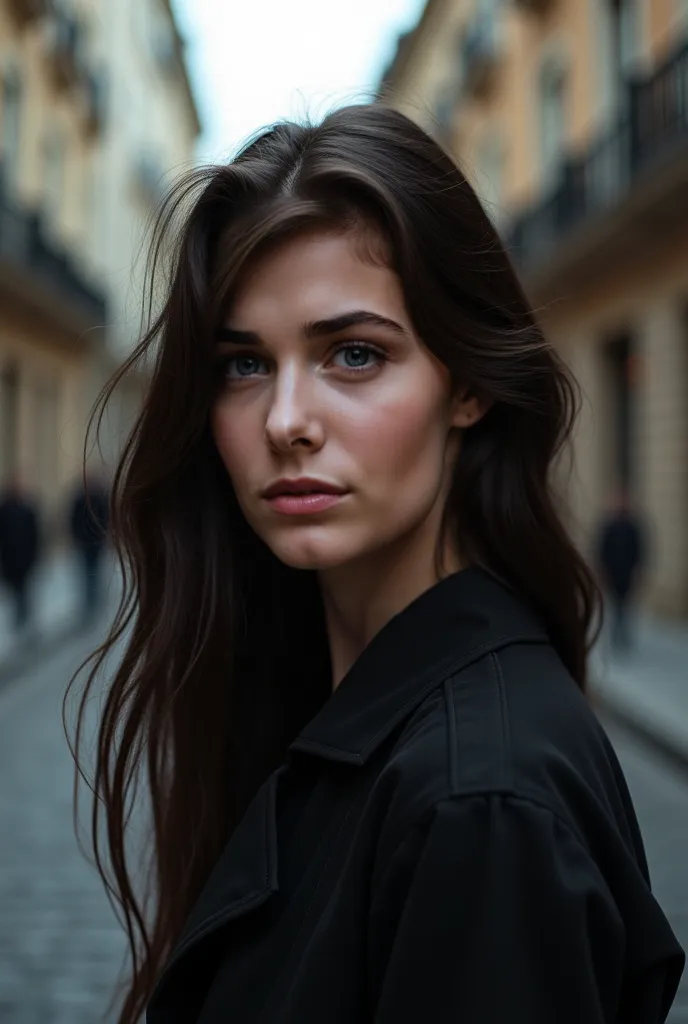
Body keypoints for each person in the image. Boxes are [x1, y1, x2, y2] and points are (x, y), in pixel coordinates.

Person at [68, 105, 684, 1024]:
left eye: (353, 355)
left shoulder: (481, 807)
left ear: (466, 384)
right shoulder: (309, 699)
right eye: (242, 365)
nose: (285, 420)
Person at [595, 486, 646, 652]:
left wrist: (639, 569)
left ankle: (623, 635)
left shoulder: (632, 525)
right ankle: (616, 636)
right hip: (612, 573)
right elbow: (601, 549)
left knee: (626, 606)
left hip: (627, 573)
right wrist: (602, 570)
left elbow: (640, 549)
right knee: (616, 606)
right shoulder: (609, 525)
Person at [68, 471, 110, 626]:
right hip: (84, 543)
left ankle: (95, 601)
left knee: (95, 572)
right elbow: (73, 519)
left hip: (97, 543)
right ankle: (89, 602)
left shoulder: (101, 498)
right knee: (87, 573)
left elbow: (107, 518)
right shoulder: (80, 499)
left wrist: (105, 536)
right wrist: (76, 537)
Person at [0, 474, 40, 632]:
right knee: (15, 589)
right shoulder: (4, 509)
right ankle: (19, 618)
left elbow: (35, 534)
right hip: (9, 558)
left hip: (26, 557)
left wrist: (35, 555)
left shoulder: (28, 508)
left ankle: (24, 618)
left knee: (25, 589)